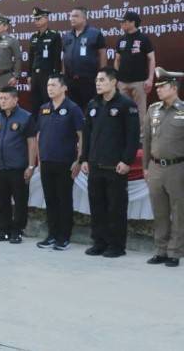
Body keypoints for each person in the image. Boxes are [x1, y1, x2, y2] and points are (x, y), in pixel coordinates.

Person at [81, 67, 140, 258]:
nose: (98, 83)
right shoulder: (93, 104)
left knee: (116, 209)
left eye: (102, 80)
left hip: (116, 167)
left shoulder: (126, 105)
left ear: (113, 82)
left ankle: (116, 246)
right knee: (97, 207)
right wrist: (84, 159)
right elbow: (87, 135)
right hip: (95, 165)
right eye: (97, 80)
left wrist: (127, 160)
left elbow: (133, 137)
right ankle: (99, 242)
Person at [34, 75, 84, 251]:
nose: (50, 88)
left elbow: (82, 136)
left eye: (54, 85)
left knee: (64, 200)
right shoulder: (43, 109)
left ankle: (64, 237)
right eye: (48, 85)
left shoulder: (73, 109)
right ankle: (52, 235)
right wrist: (39, 159)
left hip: (65, 162)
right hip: (46, 161)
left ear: (64, 88)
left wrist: (79, 160)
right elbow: (39, 135)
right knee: (50, 200)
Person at [0, 86, 38, 244]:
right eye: (0, 98)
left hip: (18, 168)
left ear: (15, 99)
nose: (2, 101)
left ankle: (17, 231)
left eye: (5, 98)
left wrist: (30, 166)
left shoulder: (26, 117)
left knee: (20, 201)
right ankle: (4, 230)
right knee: (2, 201)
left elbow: (32, 143)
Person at [143, 68, 184, 268]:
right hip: (156, 167)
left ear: (174, 88)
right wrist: (145, 167)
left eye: (162, 86)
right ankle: (160, 250)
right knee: (159, 212)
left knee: (179, 212)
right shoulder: (153, 109)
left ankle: (174, 252)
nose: (158, 89)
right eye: (157, 86)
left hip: (177, 168)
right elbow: (146, 141)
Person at [113, 10, 155, 122]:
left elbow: (151, 59)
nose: (121, 24)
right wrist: (117, 78)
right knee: (123, 111)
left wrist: (150, 79)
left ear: (132, 22)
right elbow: (117, 60)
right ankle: (125, 132)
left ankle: (141, 133)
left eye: (124, 21)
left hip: (139, 82)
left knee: (140, 112)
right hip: (122, 82)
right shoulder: (121, 40)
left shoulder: (143, 38)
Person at [63, 7, 107, 108]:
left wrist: (102, 74)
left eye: (75, 16)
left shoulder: (95, 33)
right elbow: (65, 56)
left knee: (90, 108)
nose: (72, 19)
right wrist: (63, 76)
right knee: (73, 109)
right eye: (71, 16)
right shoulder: (67, 36)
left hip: (89, 80)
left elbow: (102, 54)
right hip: (70, 81)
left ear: (84, 18)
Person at [27, 7, 63, 112]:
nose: (36, 21)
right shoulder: (34, 37)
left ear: (46, 19)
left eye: (38, 19)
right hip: (35, 75)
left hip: (47, 74)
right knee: (34, 102)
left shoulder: (54, 35)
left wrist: (56, 75)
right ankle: (36, 122)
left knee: (47, 101)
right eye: (35, 19)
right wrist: (29, 75)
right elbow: (31, 58)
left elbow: (57, 58)